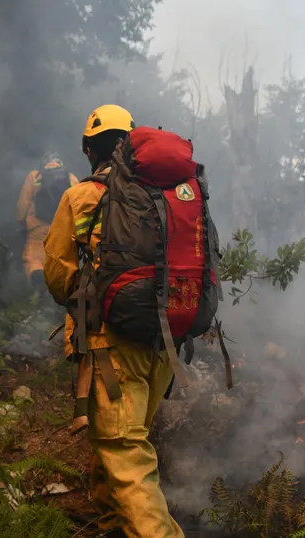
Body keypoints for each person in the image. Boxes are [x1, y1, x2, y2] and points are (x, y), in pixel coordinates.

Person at [43, 104, 186, 538]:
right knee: (119, 439)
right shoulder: (161, 193)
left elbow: (57, 273)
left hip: (111, 348)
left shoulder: (80, 195)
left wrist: (88, 295)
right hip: (162, 343)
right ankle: (111, 526)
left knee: (122, 449)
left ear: (90, 150)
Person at [15, 152, 77, 296]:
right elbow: (78, 205)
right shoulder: (71, 178)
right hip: (62, 227)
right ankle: (59, 294)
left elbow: (24, 202)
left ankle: (39, 285)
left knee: (34, 258)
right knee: (60, 259)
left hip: (38, 227)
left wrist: (20, 221)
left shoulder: (35, 176)